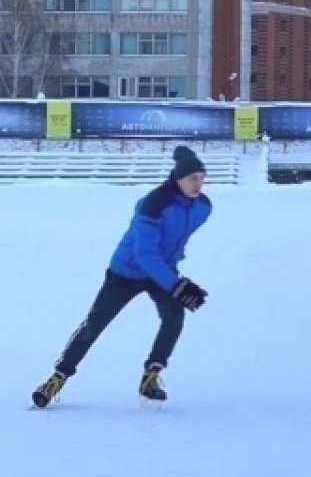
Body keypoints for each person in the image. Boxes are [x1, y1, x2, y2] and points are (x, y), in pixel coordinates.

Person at [31, 146, 212, 407]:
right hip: (127, 271)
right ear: (178, 179)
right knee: (94, 324)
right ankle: (58, 377)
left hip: (161, 271)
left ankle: (151, 376)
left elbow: (172, 244)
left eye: (202, 178)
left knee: (173, 318)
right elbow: (145, 254)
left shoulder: (202, 208)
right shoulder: (153, 205)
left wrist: (172, 276)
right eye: (192, 178)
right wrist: (176, 285)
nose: (199, 184)